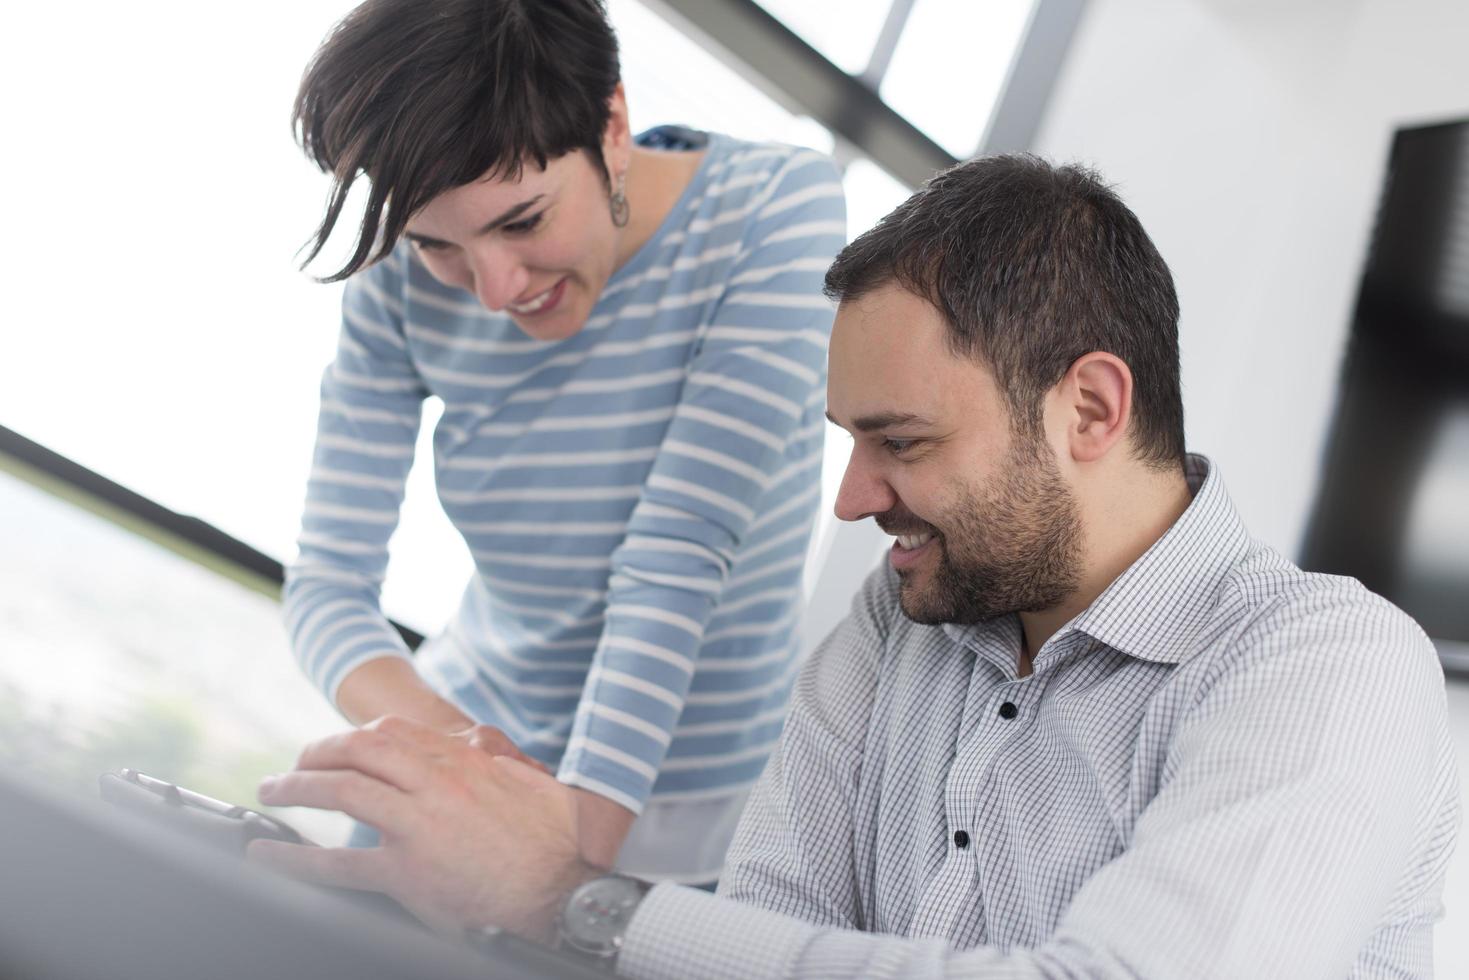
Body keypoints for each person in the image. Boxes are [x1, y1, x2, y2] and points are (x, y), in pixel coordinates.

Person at [253, 155, 1460, 977]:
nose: (853, 496)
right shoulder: (898, 627)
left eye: (903, 440)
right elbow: (762, 941)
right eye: (850, 441)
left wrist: (570, 893)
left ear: (1088, 406)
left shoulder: (1326, 667)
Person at [280, 0, 846, 882]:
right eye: (439, 246)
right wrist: (469, 762)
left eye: (523, 221)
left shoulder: (773, 210)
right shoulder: (397, 278)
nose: (493, 289)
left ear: (611, 124)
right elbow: (325, 585)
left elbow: (676, 554)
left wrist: (549, 868)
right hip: (470, 770)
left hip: (676, 807)